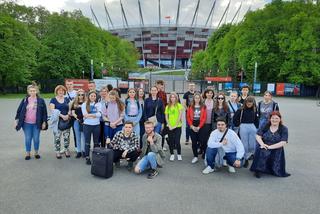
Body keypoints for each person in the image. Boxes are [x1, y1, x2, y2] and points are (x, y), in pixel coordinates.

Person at [250, 111, 290, 178]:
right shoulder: (265, 125)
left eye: (276, 118)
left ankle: (272, 169)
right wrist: (262, 144)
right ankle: (258, 170)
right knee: (262, 151)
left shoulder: (284, 129)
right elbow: (258, 135)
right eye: (273, 118)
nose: (274, 120)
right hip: (264, 145)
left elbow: (283, 142)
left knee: (275, 160)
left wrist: (270, 147)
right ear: (270, 119)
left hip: (277, 147)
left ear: (280, 119)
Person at [14, 83, 48, 160]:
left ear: (36, 91)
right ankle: (28, 153)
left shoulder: (41, 100)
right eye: (31, 91)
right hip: (26, 124)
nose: (32, 92)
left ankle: (36, 152)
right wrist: (16, 120)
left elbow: (44, 113)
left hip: (37, 123)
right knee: (28, 138)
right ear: (28, 92)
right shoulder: (25, 100)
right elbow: (19, 111)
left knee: (36, 138)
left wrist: (44, 122)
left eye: (34, 91)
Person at [233, 96, 259, 168]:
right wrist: (238, 124)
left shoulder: (254, 109)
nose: (249, 103)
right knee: (244, 144)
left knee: (252, 144)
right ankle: (245, 159)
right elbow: (235, 118)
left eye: (251, 102)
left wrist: (256, 127)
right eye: (248, 102)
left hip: (252, 127)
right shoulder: (241, 110)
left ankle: (250, 154)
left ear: (253, 103)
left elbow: (257, 119)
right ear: (245, 102)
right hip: (243, 127)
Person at [49, 85, 72, 159]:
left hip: (66, 121)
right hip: (57, 122)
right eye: (59, 90)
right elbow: (53, 110)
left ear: (64, 91)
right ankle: (57, 151)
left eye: (62, 90)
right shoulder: (53, 100)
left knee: (66, 137)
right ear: (56, 91)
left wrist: (68, 114)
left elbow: (70, 108)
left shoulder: (66, 99)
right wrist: (62, 116)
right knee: (57, 138)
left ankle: (66, 150)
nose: (61, 92)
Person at [81, 91, 102, 165]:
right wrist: (94, 115)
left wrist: (90, 115)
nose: (93, 97)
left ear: (96, 97)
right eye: (91, 96)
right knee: (87, 142)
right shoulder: (84, 104)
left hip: (96, 125)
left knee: (96, 142)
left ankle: (96, 157)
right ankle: (87, 157)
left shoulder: (99, 104)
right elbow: (85, 115)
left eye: (94, 96)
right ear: (88, 96)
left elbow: (100, 114)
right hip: (87, 125)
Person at [187, 93, 207, 164]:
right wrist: (192, 126)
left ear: (200, 99)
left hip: (201, 125)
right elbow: (188, 117)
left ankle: (205, 153)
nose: (197, 99)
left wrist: (199, 127)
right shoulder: (190, 106)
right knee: (194, 142)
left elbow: (204, 118)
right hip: (193, 124)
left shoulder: (203, 106)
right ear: (194, 99)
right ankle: (195, 156)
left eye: (198, 98)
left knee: (203, 141)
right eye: (196, 98)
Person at [165, 92, 183, 161]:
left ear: (176, 98)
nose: (173, 98)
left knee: (177, 141)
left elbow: (179, 116)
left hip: (178, 126)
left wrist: (175, 125)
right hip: (170, 127)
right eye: (171, 97)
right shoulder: (167, 106)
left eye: (174, 97)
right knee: (171, 141)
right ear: (170, 98)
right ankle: (172, 154)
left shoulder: (179, 106)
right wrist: (169, 125)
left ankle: (179, 154)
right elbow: (166, 117)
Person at [70, 89, 86, 158]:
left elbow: (88, 112)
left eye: (82, 95)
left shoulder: (86, 102)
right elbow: (73, 112)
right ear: (77, 95)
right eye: (79, 95)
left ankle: (84, 151)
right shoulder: (74, 102)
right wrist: (77, 118)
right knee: (78, 136)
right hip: (76, 121)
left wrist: (83, 119)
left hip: (84, 121)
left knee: (83, 137)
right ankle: (79, 151)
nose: (80, 96)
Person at [200, 88, 215, 159]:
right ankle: (203, 150)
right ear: (205, 94)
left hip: (212, 123)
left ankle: (207, 152)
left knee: (210, 139)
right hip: (204, 123)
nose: (209, 94)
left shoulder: (215, 102)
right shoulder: (202, 102)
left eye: (211, 93)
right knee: (203, 139)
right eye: (208, 93)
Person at [156, 80, 169, 151]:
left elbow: (166, 103)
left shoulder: (164, 93)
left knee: (162, 131)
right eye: (158, 84)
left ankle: (161, 145)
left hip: (163, 113)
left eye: (161, 85)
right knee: (156, 130)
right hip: (156, 114)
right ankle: (155, 145)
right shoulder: (154, 92)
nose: (160, 86)